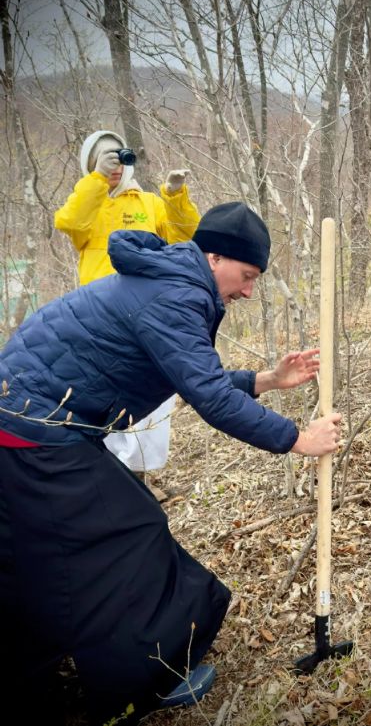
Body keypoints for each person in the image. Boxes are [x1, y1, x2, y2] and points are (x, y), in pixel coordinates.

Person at [0, 202, 342, 724]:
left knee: (37, 551)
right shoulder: (175, 294)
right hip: (37, 430)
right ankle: (148, 678)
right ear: (215, 256)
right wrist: (298, 438)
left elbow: (187, 373)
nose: (249, 291)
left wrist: (268, 381)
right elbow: (210, 397)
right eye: (247, 276)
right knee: (127, 535)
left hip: (28, 422)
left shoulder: (166, 282)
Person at [55, 130, 201, 483]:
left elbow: (186, 236)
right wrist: (97, 179)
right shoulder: (87, 204)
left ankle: (140, 475)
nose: (115, 165)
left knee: (150, 395)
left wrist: (175, 195)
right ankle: (110, 474)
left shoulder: (148, 203)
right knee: (104, 395)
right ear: (90, 163)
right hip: (99, 317)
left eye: (118, 156)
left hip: (147, 313)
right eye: (104, 157)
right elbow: (68, 223)